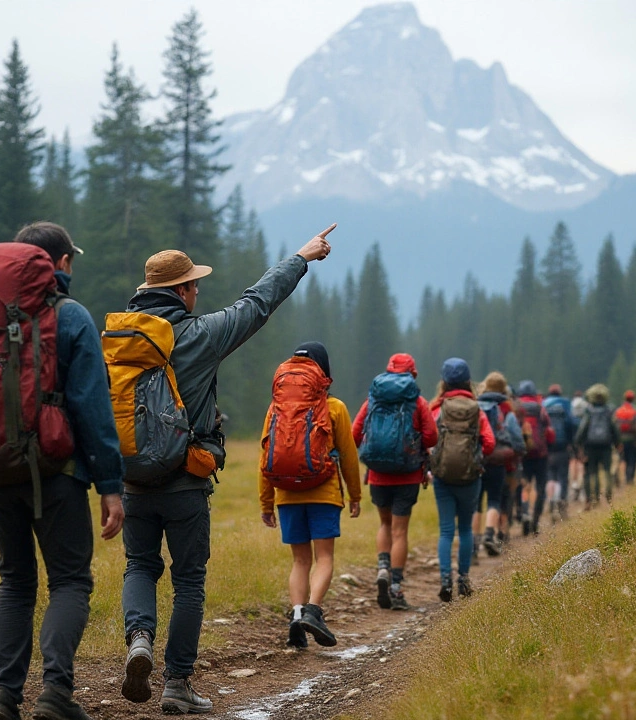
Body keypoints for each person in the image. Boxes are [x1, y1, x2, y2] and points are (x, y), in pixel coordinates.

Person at [118, 225, 336, 714]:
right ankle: (176, 685)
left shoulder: (119, 340)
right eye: (193, 285)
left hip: (131, 478)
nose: (198, 291)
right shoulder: (200, 335)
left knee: (139, 566)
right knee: (189, 580)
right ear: (179, 292)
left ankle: (139, 639)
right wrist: (300, 257)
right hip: (185, 478)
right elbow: (256, 303)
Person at [0, 222, 126, 720]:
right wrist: (110, 486)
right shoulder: (70, 317)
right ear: (60, 263)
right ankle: (55, 696)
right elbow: (92, 407)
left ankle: (2, 699)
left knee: (15, 583)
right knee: (69, 581)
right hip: (56, 470)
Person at [259, 343, 362, 649]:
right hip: (324, 492)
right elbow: (349, 455)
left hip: (287, 494)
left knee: (300, 561)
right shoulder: (336, 408)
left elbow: (265, 455)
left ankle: (295, 615)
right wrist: (355, 495)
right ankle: (313, 611)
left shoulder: (275, 409)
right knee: (325, 557)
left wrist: (266, 502)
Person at [351, 353, 437, 611]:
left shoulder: (373, 399)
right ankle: (396, 588)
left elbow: (355, 433)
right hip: (408, 473)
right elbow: (432, 437)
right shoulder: (418, 401)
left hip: (377, 473)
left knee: (384, 524)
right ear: (413, 374)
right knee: (400, 530)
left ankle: (382, 568)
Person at [428, 358, 496, 601]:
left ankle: (445, 579)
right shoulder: (476, 409)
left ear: (444, 382)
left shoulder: (437, 408)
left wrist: (435, 462)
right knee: (465, 528)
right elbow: (489, 442)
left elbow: (428, 438)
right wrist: (476, 460)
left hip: (443, 477)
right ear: (468, 381)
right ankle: (464, 579)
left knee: (446, 531)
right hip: (470, 477)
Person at [475, 372, 523, 556]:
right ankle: (489, 534)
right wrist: (516, 453)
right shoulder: (506, 409)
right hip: (498, 460)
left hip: (477, 459)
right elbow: (517, 440)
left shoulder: (476, 406)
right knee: (494, 499)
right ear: (504, 388)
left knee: (476, 502)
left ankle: (473, 543)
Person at [514, 380, 554, 536]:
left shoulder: (516, 408)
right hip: (540, 454)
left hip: (523, 454)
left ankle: (524, 511)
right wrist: (548, 446)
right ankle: (535, 520)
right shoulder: (540, 408)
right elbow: (549, 432)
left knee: (525, 485)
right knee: (539, 486)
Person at [573, 383, 620, 508]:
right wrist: (617, 443)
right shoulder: (608, 411)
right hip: (606, 447)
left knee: (590, 473)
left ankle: (591, 499)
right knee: (606, 471)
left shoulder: (589, 412)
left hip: (590, 447)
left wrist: (578, 444)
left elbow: (582, 430)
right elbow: (614, 429)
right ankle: (609, 495)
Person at [541, 384, 577, 524]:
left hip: (548, 447)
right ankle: (562, 503)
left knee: (550, 476)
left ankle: (551, 501)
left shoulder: (544, 404)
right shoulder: (565, 404)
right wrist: (571, 443)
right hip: (562, 447)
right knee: (562, 476)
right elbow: (571, 424)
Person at [614, 390, 636, 486]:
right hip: (632, 440)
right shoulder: (634, 411)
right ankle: (629, 479)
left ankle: (617, 476)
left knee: (623, 459)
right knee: (633, 460)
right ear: (633, 399)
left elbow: (614, 427)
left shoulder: (619, 411)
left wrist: (616, 441)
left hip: (621, 440)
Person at [568, 391, 591, 506]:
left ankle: (574, 483)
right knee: (582, 463)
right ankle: (581, 486)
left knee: (573, 461)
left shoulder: (571, 405)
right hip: (584, 440)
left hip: (572, 439)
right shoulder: (586, 405)